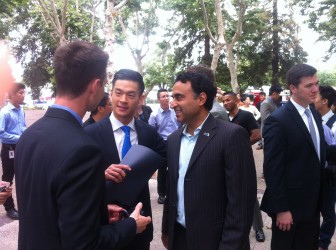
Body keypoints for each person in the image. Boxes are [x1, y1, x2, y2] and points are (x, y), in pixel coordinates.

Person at [14, 41, 150, 249]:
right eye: (105, 85)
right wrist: (131, 225)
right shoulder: (83, 149)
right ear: (95, 86)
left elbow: (49, 209)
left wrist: (98, 212)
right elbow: (85, 244)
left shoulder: (29, 135)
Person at [161, 72, 256, 249]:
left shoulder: (231, 136)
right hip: (179, 238)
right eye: (173, 97)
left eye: (179, 97)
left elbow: (241, 204)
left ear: (201, 98)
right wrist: (167, 230)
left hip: (215, 241)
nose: (173, 103)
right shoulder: (174, 140)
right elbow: (172, 188)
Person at [85, 69, 166, 250]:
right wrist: (101, 174)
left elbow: (171, 155)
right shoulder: (89, 134)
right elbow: (76, 180)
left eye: (130, 95)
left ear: (141, 99)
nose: (123, 100)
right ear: (111, 93)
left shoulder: (149, 133)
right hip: (103, 227)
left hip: (140, 224)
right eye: (118, 93)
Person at [260, 64, 327, 250]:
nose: (315, 89)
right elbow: (272, 168)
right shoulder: (278, 120)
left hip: (312, 204)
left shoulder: (314, 113)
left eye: (317, 84)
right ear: (293, 88)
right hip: (289, 208)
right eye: (309, 85)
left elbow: (315, 152)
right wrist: (282, 209)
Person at [222, 91, 265, 243]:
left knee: (250, 194)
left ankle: (258, 228)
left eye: (228, 100)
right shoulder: (224, 118)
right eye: (223, 101)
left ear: (236, 100)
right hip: (226, 161)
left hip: (244, 160)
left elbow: (256, 134)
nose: (226, 103)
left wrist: (240, 146)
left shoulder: (246, 116)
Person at [314, 85, 336, 250]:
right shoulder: (312, 119)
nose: (312, 98)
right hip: (314, 174)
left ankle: (323, 243)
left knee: (328, 211)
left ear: (325, 101)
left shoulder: (334, 123)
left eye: (316, 96)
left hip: (330, 175)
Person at [0, 82, 26, 220]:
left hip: (20, 148)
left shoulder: (21, 110)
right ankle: (8, 208)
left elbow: (23, 128)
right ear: (12, 95)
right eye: (20, 93)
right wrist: (19, 137)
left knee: (23, 176)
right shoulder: (4, 112)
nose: (23, 95)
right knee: (7, 179)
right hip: (8, 149)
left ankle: (25, 205)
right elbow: (1, 133)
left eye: (24, 93)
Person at [148, 88, 179, 204]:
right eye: (163, 96)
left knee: (176, 167)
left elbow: (181, 126)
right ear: (158, 99)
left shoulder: (175, 112)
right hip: (162, 143)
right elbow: (152, 132)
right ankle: (162, 194)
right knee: (162, 169)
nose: (166, 98)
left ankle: (175, 192)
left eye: (167, 96)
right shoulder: (154, 115)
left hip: (176, 142)